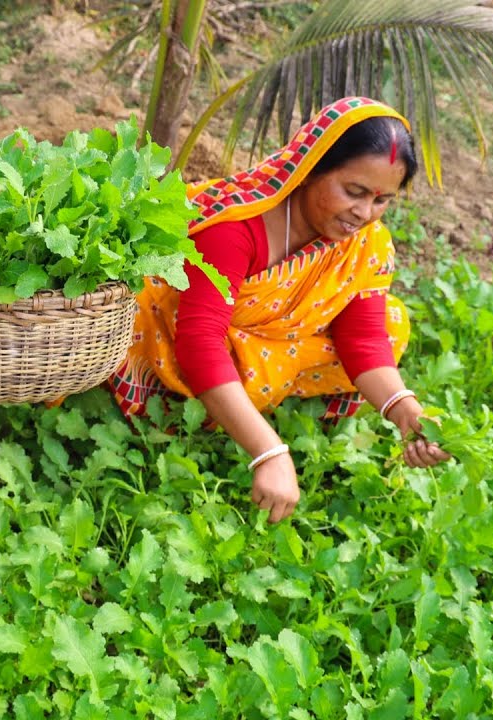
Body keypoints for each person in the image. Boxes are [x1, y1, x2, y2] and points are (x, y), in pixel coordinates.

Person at [110, 97, 450, 525]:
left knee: (389, 323)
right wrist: (269, 452)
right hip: (168, 335)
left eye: (382, 200)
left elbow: (362, 338)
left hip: (254, 340)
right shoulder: (237, 227)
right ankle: (212, 404)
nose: (364, 214)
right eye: (354, 192)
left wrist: (408, 414)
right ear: (310, 168)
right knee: (139, 331)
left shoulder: (365, 242)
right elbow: (199, 341)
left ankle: (237, 401)